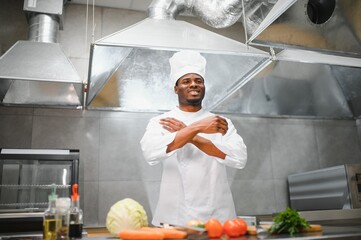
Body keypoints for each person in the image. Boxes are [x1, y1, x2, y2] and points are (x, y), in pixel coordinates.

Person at [140, 50, 247, 226]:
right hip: (174, 219)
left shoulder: (220, 122)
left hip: (217, 218)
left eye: (199, 81)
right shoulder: (161, 122)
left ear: (204, 87)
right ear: (176, 88)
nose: (193, 85)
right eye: (186, 81)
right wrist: (197, 128)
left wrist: (190, 135)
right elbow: (150, 153)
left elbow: (239, 158)